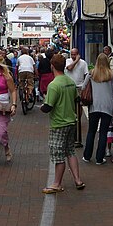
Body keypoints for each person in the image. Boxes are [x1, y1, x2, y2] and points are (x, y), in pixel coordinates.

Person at [40, 53, 85, 193]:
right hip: (71, 122)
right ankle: (78, 180)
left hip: (59, 124)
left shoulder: (54, 85)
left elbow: (48, 107)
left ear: (52, 66)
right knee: (70, 151)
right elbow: (77, 100)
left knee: (58, 155)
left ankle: (57, 183)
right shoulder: (70, 82)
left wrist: (42, 104)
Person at [81, 53, 113, 165]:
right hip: (108, 106)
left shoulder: (92, 74)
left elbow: (83, 87)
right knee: (103, 132)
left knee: (91, 131)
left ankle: (87, 156)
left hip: (94, 106)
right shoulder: (111, 75)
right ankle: (99, 158)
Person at [66, 48, 89, 145]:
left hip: (79, 88)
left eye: (75, 54)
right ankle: (72, 123)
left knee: (79, 108)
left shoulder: (83, 63)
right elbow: (69, 68)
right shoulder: (68, 61)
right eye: (72, 54)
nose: (73, 56)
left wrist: (84, 86)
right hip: (69, 87)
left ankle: (77, 122)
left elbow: (86, 74)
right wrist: (76, 61)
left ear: (78, 54)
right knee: (70, 107)